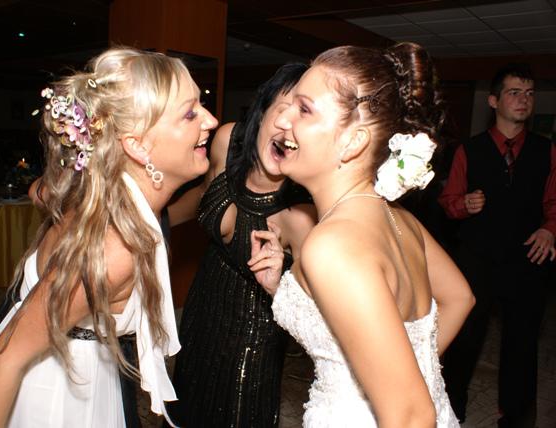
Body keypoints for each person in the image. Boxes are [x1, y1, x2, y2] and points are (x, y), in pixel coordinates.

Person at [0, 47, 218, 427]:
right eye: (190, 113)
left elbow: (41, 192)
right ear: (137, 145)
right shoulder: (115, 247)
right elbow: (5, 360)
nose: (211, 120)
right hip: (59, 399)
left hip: (89, 374)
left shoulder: (111, 193)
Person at [250, 42, 475, 427]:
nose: (282, 118)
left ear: (353, 142)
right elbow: (459, 298)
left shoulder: (332, 245)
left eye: (304, 109)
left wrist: (391, 400)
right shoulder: (398, 217)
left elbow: (411, 417)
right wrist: (400, 379)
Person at [165, 63, 316, 426]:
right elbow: (203, 195)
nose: (290, 127)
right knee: (186, 408)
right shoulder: (227, 141)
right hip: (201, 313)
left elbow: (314, 313)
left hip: (254, 341)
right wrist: (148, 220)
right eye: (285, 109)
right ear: (263, 109)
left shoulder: (303, 212)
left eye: (305, 118)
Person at [438, 63, 556, 427]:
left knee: (522, 343)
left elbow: (553, 202)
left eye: (529, 93)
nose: (524, 100)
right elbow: (448, 201)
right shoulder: (469, 149)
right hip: (478, 258)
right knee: (464, 340)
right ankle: (450, 412)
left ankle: (516, 418)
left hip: (527, 259)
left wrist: (550, 229)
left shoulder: (547, 150)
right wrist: (464, 204)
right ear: (493, 101)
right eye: (514, 92)